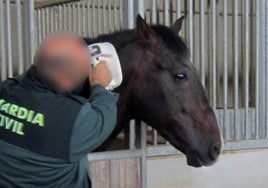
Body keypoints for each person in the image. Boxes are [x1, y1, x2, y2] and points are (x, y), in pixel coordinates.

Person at [0, 32, 119, 187]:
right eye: (82, 74)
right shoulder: (72, 120)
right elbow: (104, 117)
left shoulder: (5, 89)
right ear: (62, 77)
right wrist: (100, 87)